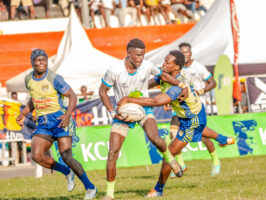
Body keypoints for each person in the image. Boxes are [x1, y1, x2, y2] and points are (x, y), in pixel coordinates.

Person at [117, 50, 235, 197]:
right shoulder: (168, 76)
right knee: (199, 129)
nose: (163, 63)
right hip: (192, 113)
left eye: (167, 62)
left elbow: (154, 101)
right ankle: (222, 138)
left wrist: (129, 99)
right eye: (164, 60)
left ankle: (158, 189)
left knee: (169, 155)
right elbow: (148, 84)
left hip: (192, 119)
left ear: (177, 66)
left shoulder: (177, 87)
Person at [99, 38, 188, 200]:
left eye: (143, 55)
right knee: (113, 152)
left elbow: (165, 77)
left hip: (144, 108)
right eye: (138, 55)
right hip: (123, 113)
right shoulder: (115, 69)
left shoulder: (147, 65)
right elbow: (102, 91)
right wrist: (112, 112)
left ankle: (171, 160)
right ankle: (109, 194)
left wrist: (182, 86)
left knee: (156, 138)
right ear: (129, 53)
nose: (141, 58)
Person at [16, 49, 97, 200]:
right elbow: (34, 99)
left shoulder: (55, 78)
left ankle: (90, 188)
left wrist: (67, 115)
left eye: (44, 60)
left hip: (61, 120)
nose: (41, 63)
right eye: (38, 60)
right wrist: (23, 113)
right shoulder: (28, 79)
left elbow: (72, 96)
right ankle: (66, 172)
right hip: (43, 123)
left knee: (66, 156)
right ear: (32, 62)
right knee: (36, 156)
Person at [167, 42, 221, 177]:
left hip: (196, 106)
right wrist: (168, 100)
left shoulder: (199, 67)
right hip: (180, 105)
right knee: (173, 133)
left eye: (187, 52)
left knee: (202, 136)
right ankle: (181, 165)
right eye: (182, 52)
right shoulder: (176, 68)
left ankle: (215, 160)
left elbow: (213, 82)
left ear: (191, 53)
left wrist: (201, 90)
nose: (185, 55)